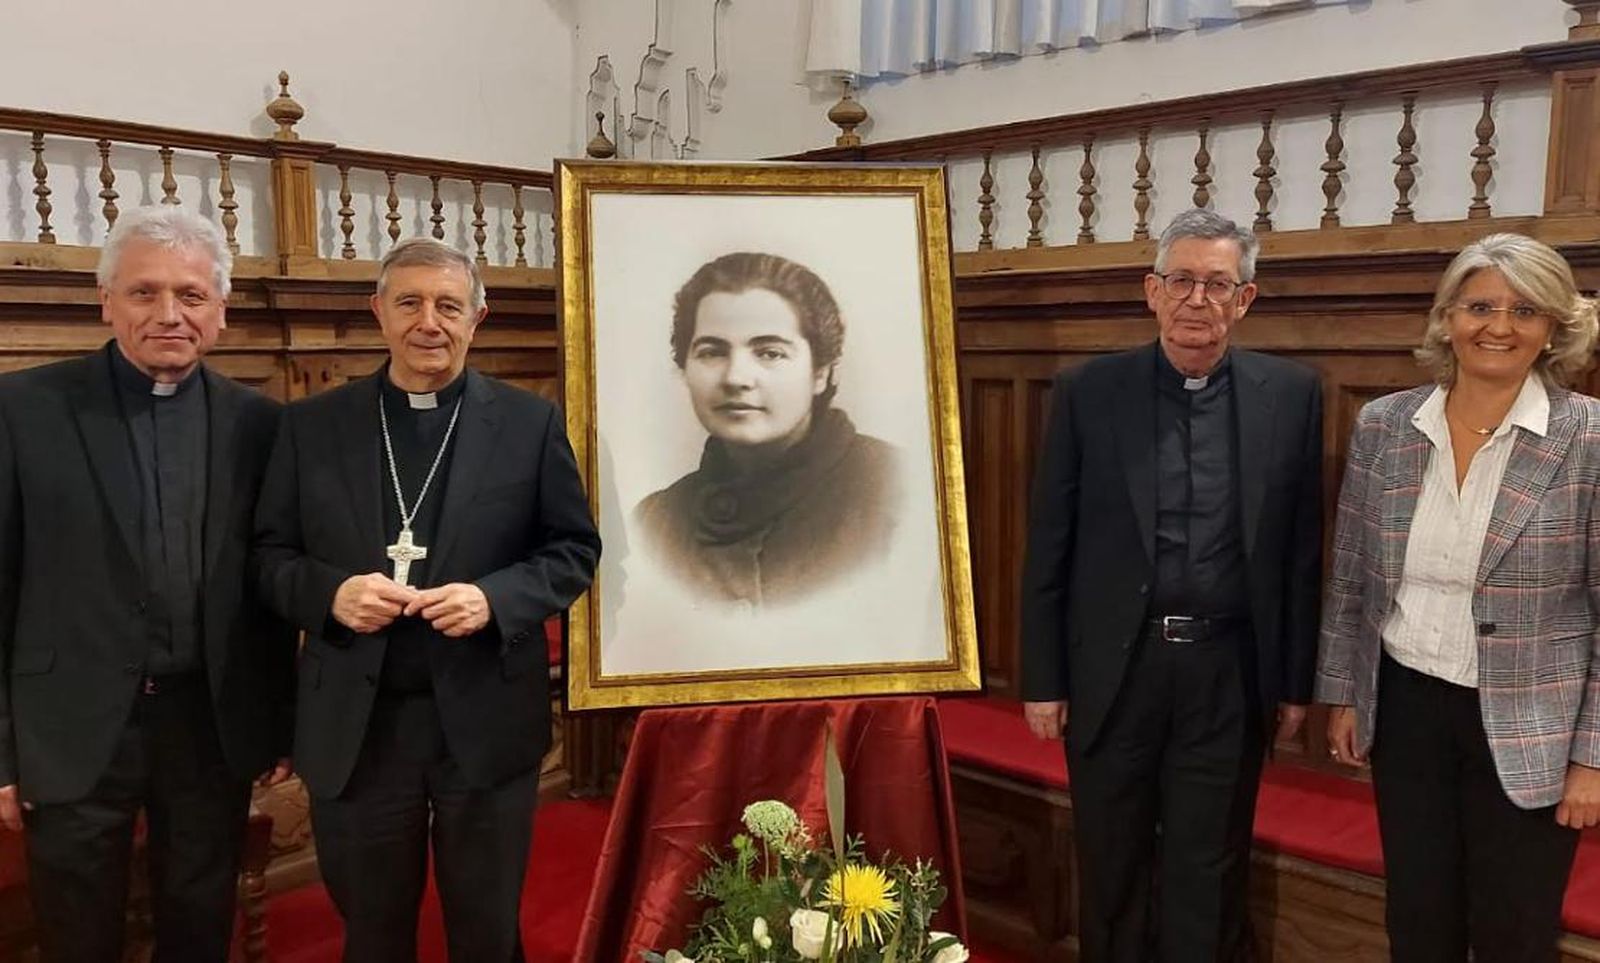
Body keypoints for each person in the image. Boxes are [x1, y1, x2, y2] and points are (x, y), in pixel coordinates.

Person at [253, 237, 600, 961]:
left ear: (478, 315)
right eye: (409, 302)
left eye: (448, 304)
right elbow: (267, 558)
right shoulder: (312, 426)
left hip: (484, 715)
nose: (428, 322)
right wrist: (332, 593)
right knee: (372, 930)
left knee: (486, 926)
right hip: (359, 723)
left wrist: (493, 598)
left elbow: (573, 550)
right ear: (378, 311)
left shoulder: (528, 424)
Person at [1019, 208, 1323, 962]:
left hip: (1228, 669)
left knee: (1209, 861)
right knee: (1112, 854)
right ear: (1151, 291)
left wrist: (1294, 683)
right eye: (1181, 280)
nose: (1198, 299)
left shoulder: (1291, 396)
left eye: (1217, 283)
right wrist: (1043, 678)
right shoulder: (1090, 391)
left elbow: (1298, 552)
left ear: (1244, 300)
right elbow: (1049, 543)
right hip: (1115, 669)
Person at [0, 205, 294, 962]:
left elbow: (268, 582)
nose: (170, 313)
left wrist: (275, 716)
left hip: (207, 724)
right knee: (77, 932)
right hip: (65, 725)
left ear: (220, 311)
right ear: (106, 301)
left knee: (198, 922)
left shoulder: (260, 424)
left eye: (192, 295)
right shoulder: (23, 410)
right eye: (144, 293)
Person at [1318, 232, 1600, 962]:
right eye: (1480, 305)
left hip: (1531, 723)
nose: (1499, 326)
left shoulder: (1590, 441)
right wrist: (1345, 692)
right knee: (1418, 920)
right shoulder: (1386, 426)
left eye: (1524, 309)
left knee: (1513, 931)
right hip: (1408, 709)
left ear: (1553, 328)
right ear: (1447, 317)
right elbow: (1351, 575)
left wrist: (1593, 759)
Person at [633, 251, 900, 608]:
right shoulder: (654, 523)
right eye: (712, 352)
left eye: (770, 353)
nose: (736, 378)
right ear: (684, 368)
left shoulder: (901, 495)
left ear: (820, 372)